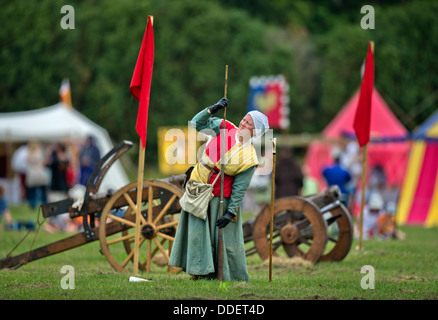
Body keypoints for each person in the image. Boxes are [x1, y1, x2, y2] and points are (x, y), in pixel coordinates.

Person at [169, 97, 269, 281]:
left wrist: (230, 213)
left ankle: (215, 275)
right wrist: (212, 109)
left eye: (249, 123)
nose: (243, 123)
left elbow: (240, 187)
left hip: (217, 198)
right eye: (245, 119)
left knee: (215, 240)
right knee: (197, 236)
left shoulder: (249, 156)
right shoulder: (226, 127)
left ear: (255, 132)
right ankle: (196, 272)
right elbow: (196, 124)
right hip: (196, 188)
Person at [25, 141, 48, 210]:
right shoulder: (40, 152)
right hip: (40, 173)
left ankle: (32, 206)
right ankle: (44, 205)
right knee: (43, 191)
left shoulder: (28, 153)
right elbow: (44, 162)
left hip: (32, 174)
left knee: (32, 192)